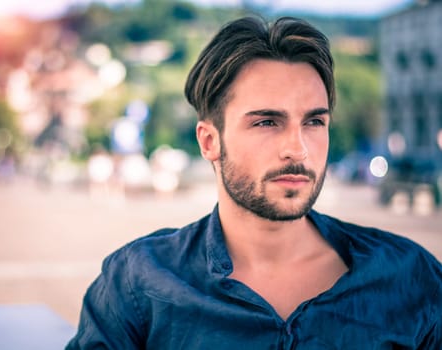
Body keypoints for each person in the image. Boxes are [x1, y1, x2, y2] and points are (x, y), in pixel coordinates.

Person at [66, 16, 442, 349]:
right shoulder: (140, 283)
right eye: (266, 122)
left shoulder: (411, 278)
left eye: (314, 122)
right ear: (209, 141)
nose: (297, 149)